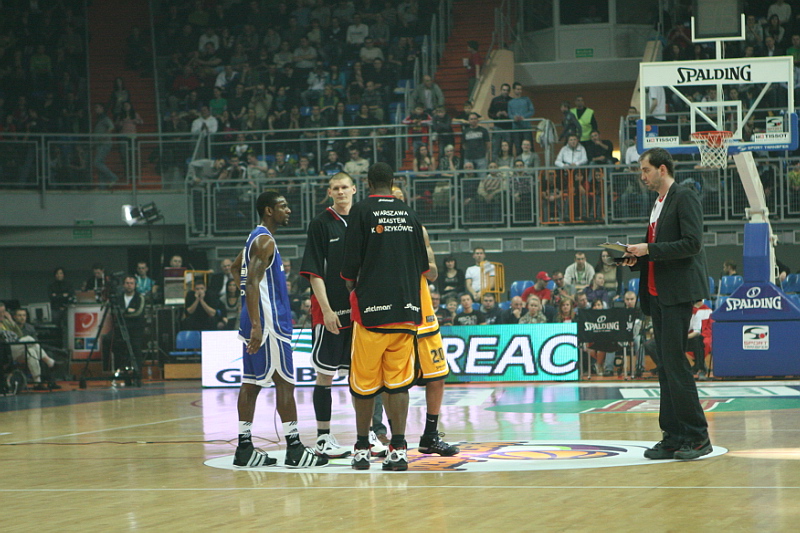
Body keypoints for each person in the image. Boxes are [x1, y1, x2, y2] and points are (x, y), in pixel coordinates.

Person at [622, 147, 712, 461]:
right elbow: (658, 249)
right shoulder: (659, 203)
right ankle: (673, 436)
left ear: (662, 169)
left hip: (676, 292)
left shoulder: (684, 196)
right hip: (657, 293)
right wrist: (635, 259)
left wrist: (648, 249)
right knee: (666, 366)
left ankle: (697, 436)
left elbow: (692, 243)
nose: (642, 176)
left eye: (645, 170)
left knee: (675, 364)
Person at [341, 162, 430, 471]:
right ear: (393, 183)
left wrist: (353, 284)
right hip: (406, 312)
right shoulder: (409, 214)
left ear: (368, 183)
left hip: (371, 314)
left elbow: (349, 266)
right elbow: (423, 265)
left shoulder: (361, 211)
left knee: (364, 385)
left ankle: (362, 449)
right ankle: (399, 449)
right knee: (398, 385)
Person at [230, 190, 327, 468]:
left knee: (250, 383)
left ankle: (244, 449)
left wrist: (250, 310)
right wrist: (258, 323)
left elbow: (236, 269)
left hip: (255, 320)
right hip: (269, 324)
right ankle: (294, 449)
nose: (289, 210)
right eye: (283, 206)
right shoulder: (265, 241)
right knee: (284, 382)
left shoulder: (255, 238)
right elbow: (250, 283)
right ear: (269, 211)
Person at [300, 173, 385, 460]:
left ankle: (367, 434)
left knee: (362, 376)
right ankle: (323, 438)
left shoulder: (364, 220)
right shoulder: (321, 224)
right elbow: (314, 272)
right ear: (329, 192)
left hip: (361, 313)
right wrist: (326, 311)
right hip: (331, 313)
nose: (340, 192)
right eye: (335, 188)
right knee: (325, 375)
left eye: (344, 187)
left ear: (354, 189)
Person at [0, 302, 57, 390]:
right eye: (0, 312)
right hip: (5, 350)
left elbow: (19, 334)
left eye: (4, 311)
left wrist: (11, 321)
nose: (2, 314)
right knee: (29, 338)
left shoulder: (6, 322)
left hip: (15, 348)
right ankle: (49, 361)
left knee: (31, 352)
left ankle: (37, 383)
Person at [104, 275, 145, 372]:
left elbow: (138, 313)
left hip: (135, 329)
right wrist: (127, 311)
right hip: (120, 328)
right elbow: (113, 311)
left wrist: (122, 312)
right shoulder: (118, 297)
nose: (129, 285)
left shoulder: (140, 297)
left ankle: (137, 373)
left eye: (131, 283)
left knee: (136, 349)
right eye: (127, 283)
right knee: (108, 340)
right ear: (123, 285)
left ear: (135, 285)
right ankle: (119, 370)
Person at [687, 299, 712, 380]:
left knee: (703, 342)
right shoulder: (689, 311)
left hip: (704, 334)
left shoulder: (708, 311)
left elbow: (709, 327)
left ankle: (699, 367)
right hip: (691, 334)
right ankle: (699, 366)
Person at [508, 82, 534, 154]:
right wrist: (514, 117)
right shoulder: (510, 102)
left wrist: (524, 117)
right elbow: (509, 114)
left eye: (520, 89)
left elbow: (532, 111)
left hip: (526, 127)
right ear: (514, 90)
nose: (519, 91)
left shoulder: (526, 99)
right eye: (518, 89)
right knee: (518, 148)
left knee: (528, 147)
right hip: (516, 128)